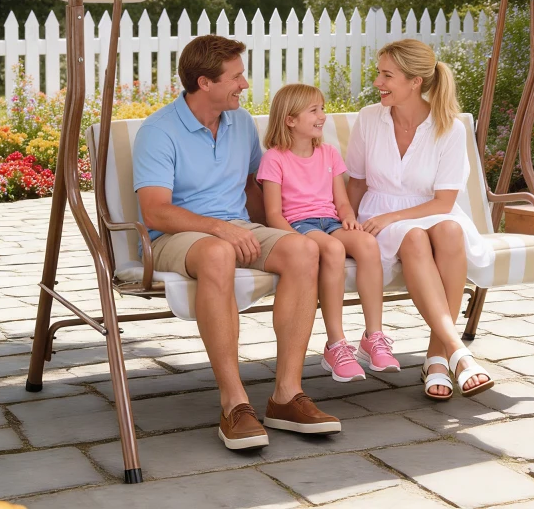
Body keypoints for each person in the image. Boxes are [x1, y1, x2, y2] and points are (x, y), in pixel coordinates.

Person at [133, 35, 341, 451]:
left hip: (237, 226)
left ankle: (286, 395)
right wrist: (219, 228)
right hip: (175, 237)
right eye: (236, 76)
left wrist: (287, 229)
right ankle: (234, 402)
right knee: (217, 251)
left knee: (302, 249)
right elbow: (155, 211)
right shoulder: (158, 132)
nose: (244, 85)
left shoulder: (241, 122)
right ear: (204, 82)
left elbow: (253, 188)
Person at [345, 39, 495, 401]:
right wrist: (345, 220)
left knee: (451, 230)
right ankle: (456, 353)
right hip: (378, 215)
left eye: (387, 75)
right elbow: (357, 182)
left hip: (430, 211)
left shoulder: (450, 127)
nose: (378, 82)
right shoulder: (369, 118)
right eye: (379, 74)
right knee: (413, 237)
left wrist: (394, 216)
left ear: (414, 82)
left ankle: (438, 354)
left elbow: (444, 201)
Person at [257, 84, 400, 383]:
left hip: (331, 223)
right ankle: (336, 344)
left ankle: (374, 335)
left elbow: (342, 202)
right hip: (298, 226)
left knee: (366, 243)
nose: (323, 116)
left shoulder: (329, 153)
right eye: (314, 110)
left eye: (322, 108)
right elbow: (272, 214)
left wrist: (348, 218)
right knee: (333, 250)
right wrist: (296, 240)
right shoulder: (275, 158)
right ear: (290, 119)